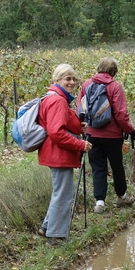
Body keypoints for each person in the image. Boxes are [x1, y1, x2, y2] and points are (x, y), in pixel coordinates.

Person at [38, 64, 91, 246]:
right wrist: (80, 144)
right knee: (63, 195)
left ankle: (47, 227)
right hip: (59, 154)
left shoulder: (55, 97)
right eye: (67, 78)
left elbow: (60, 125)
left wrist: (77, 127)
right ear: (57, 79)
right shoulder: (58, 101)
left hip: (57, 153)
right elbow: (56, 132)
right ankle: (55, 237)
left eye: (73, 79)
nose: (71, 82)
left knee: (59, 192)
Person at [78, 57, 135, 213]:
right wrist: (130, 130)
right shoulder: (115, 86)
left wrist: (83, 130)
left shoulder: (86, 85)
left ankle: (100, 202)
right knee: (117, 166)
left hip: (91, 134)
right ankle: (122, 196)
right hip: (112, 136)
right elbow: (121, 114)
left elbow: (80, 110)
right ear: (114, 71)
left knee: (97, 168)